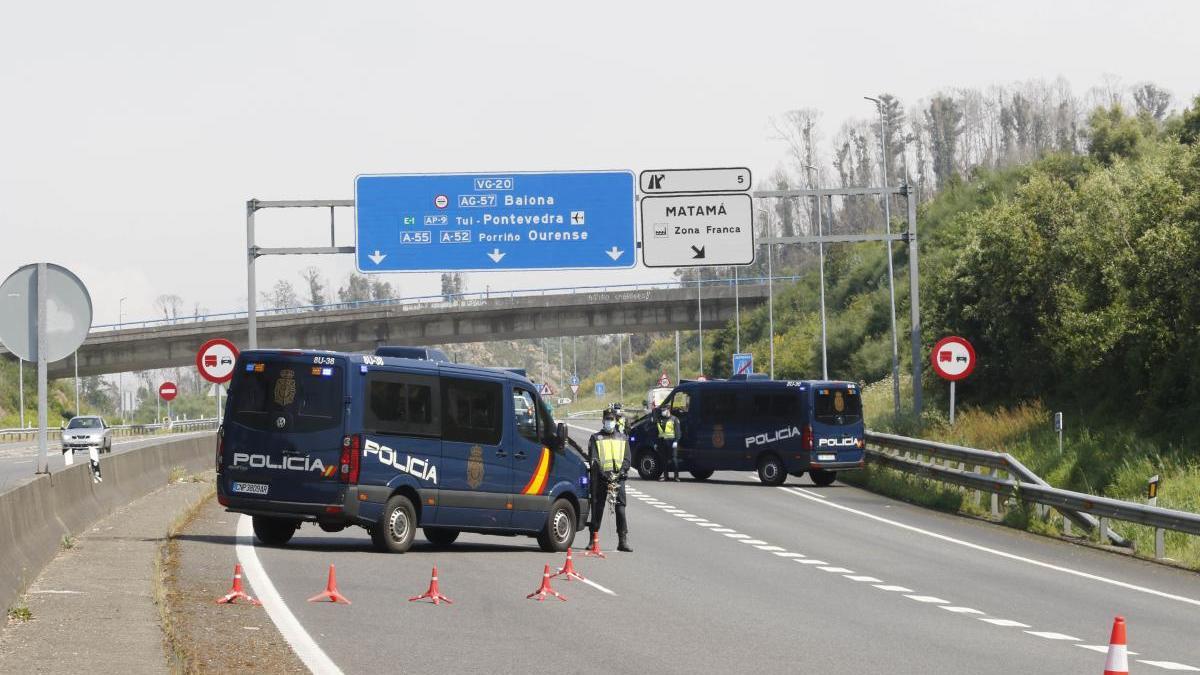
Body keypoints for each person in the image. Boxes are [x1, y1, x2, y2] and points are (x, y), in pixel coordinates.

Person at [588, 409, 632, 552]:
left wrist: (622, 472)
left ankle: (622, 541)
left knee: (620, 509)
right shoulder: (596, 438)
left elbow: (627, 459)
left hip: (618, 478)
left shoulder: (622, 438)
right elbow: (594, 459)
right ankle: (592, 540)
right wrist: (602, 474)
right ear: (603, 420)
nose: (610, 422)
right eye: (607, 419)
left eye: (612, 419)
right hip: (601, 479)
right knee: (598, 508)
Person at [654, 406, 680, 481]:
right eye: (662, 411)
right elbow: (657, 432)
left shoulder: (674, 419)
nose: (662, 412)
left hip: (672, 442)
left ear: (668, 410)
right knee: (664, 460)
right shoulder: (660, 419)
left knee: (674, 459)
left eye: (664, 410)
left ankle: (676, 476)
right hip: (662, 442)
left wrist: (676, 441)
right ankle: (665, 476)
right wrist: (656, 443)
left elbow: (678, 432)